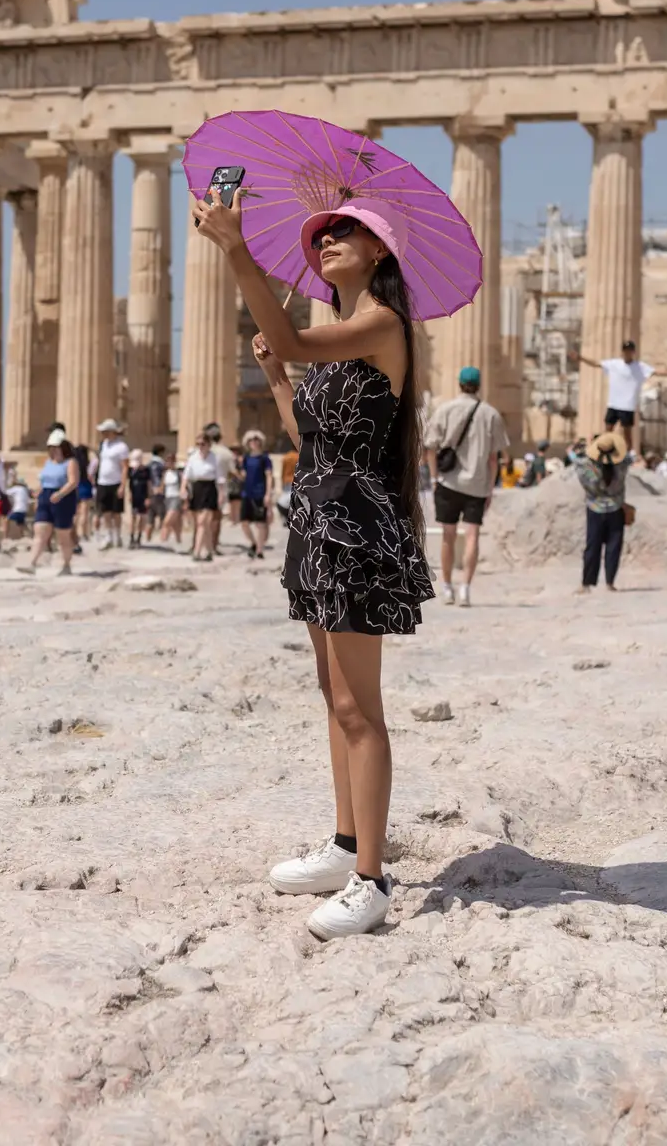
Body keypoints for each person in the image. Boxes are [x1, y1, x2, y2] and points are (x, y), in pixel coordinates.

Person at [196, 185, 433, 941]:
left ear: (379, 249)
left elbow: (299, 344)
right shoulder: (339, 334)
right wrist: (274, 373)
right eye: (320, 234)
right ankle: (343, 846)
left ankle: (372, 879)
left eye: (343, 231)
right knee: (334, 696)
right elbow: (310, 427)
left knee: (362, 708)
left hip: (356, 526)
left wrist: (237, 248)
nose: (325, 239)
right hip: (317, 517)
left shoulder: (383, 323)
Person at [424, 365, 509, 607]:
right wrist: (490, 488)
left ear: (459, 384)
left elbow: (430, 448)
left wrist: (434, 478)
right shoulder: (491, 414)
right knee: (472, 536)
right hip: (477, 485)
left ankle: (447, 588)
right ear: (479, 386)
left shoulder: (445, 409)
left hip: (448, 482)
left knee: (448, 536)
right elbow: (494, 458)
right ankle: (465, 589)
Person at [574, 429, 630, 592]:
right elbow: (625, 457)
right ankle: (610, 582)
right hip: (615, 508)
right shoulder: (621, 466)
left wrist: (588, 445)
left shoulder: (587, 468)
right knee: (614, 546)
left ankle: (587, 583)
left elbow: (578, 461)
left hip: (594, 508)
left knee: (592, 545)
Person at [22, 429, 81, 576]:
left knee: (63, 535)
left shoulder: (70, 462)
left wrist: (60, 494)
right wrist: (38, 495)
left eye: (55, 447)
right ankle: (32, 563)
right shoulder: (48, 462)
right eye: (51, 447)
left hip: (63, 498)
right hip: (45, 497)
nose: (53, 450)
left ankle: (66, 565)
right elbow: (44, 481)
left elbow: (73, 481)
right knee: (40, 531)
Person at [578, 341, 652, 435]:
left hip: (627, 405)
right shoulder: (614, 364)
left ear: (633, 352)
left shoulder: (639, 366)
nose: (627, 353)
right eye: (625, 350)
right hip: (614, 404)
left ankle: (627, 446)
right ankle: (607, 445)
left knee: (627, 433)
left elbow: (655, 371)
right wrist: (581, 358)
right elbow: (596, 364)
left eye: (629, 351)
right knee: (608, 430)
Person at [181, 431, 222, 562]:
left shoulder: (214, 458)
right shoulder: (193, 457)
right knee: (203, 524)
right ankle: (209, 550)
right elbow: (186, 475)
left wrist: (221, 495)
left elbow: (220, 478)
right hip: (197, 488)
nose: (200, 446)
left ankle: (197, 551)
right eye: (198, 444)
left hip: (209, 489)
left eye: (203, 444)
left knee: (202, 522)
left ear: (209, 445)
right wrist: (183, 488)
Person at [239, 431, 277, 560]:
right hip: (247, 493)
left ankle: (260, 550)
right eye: (251, 440)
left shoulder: (265, 459)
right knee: (244, 522)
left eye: (256, 440)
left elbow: (269, 476)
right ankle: (254, 543)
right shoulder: (246, 458)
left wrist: (268, 494)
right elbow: (243, 475)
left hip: (260, 493)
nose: (254, 442)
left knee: (260, 523)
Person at [93, 419, 130, 550]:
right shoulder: (103, 445)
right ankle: (108, 535)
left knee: (116, 512)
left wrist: (122, 485)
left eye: (105, 431)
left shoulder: (121, 447)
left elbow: (125, 467)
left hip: (115, 482)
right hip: (103, 482)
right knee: (105, 511)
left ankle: (117, 535)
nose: (102, 434)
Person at [126, 449, 156, 548]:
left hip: (143, 496)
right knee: (133, 517)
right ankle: (131, 538)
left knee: (141, 517)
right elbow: (129, 483)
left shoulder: (146, 470)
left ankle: (138, 537)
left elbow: (149, 484)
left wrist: (148, 497)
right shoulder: (131, 470)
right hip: (134, 495)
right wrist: (129, 494)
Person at [158, 454, 186, 548]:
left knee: (167, 521)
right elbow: (162, 486)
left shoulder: (178, 473)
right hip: (167, 498)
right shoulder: (165, 473)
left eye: (170, 461)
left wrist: (185, 500)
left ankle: (163, 540)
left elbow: (183, 486)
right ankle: (179, 540)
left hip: (176, 497)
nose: (168, 463)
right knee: (175, 522)